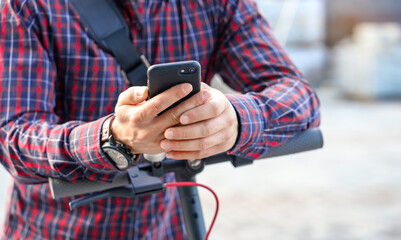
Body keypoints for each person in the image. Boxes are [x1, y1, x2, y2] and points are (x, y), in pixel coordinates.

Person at [0, 0, 320, 239]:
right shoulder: (31, 7)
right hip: (56, 229)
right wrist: (111, 138)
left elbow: (300, 95)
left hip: (169, 226)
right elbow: (14, 136)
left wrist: (237, 120)